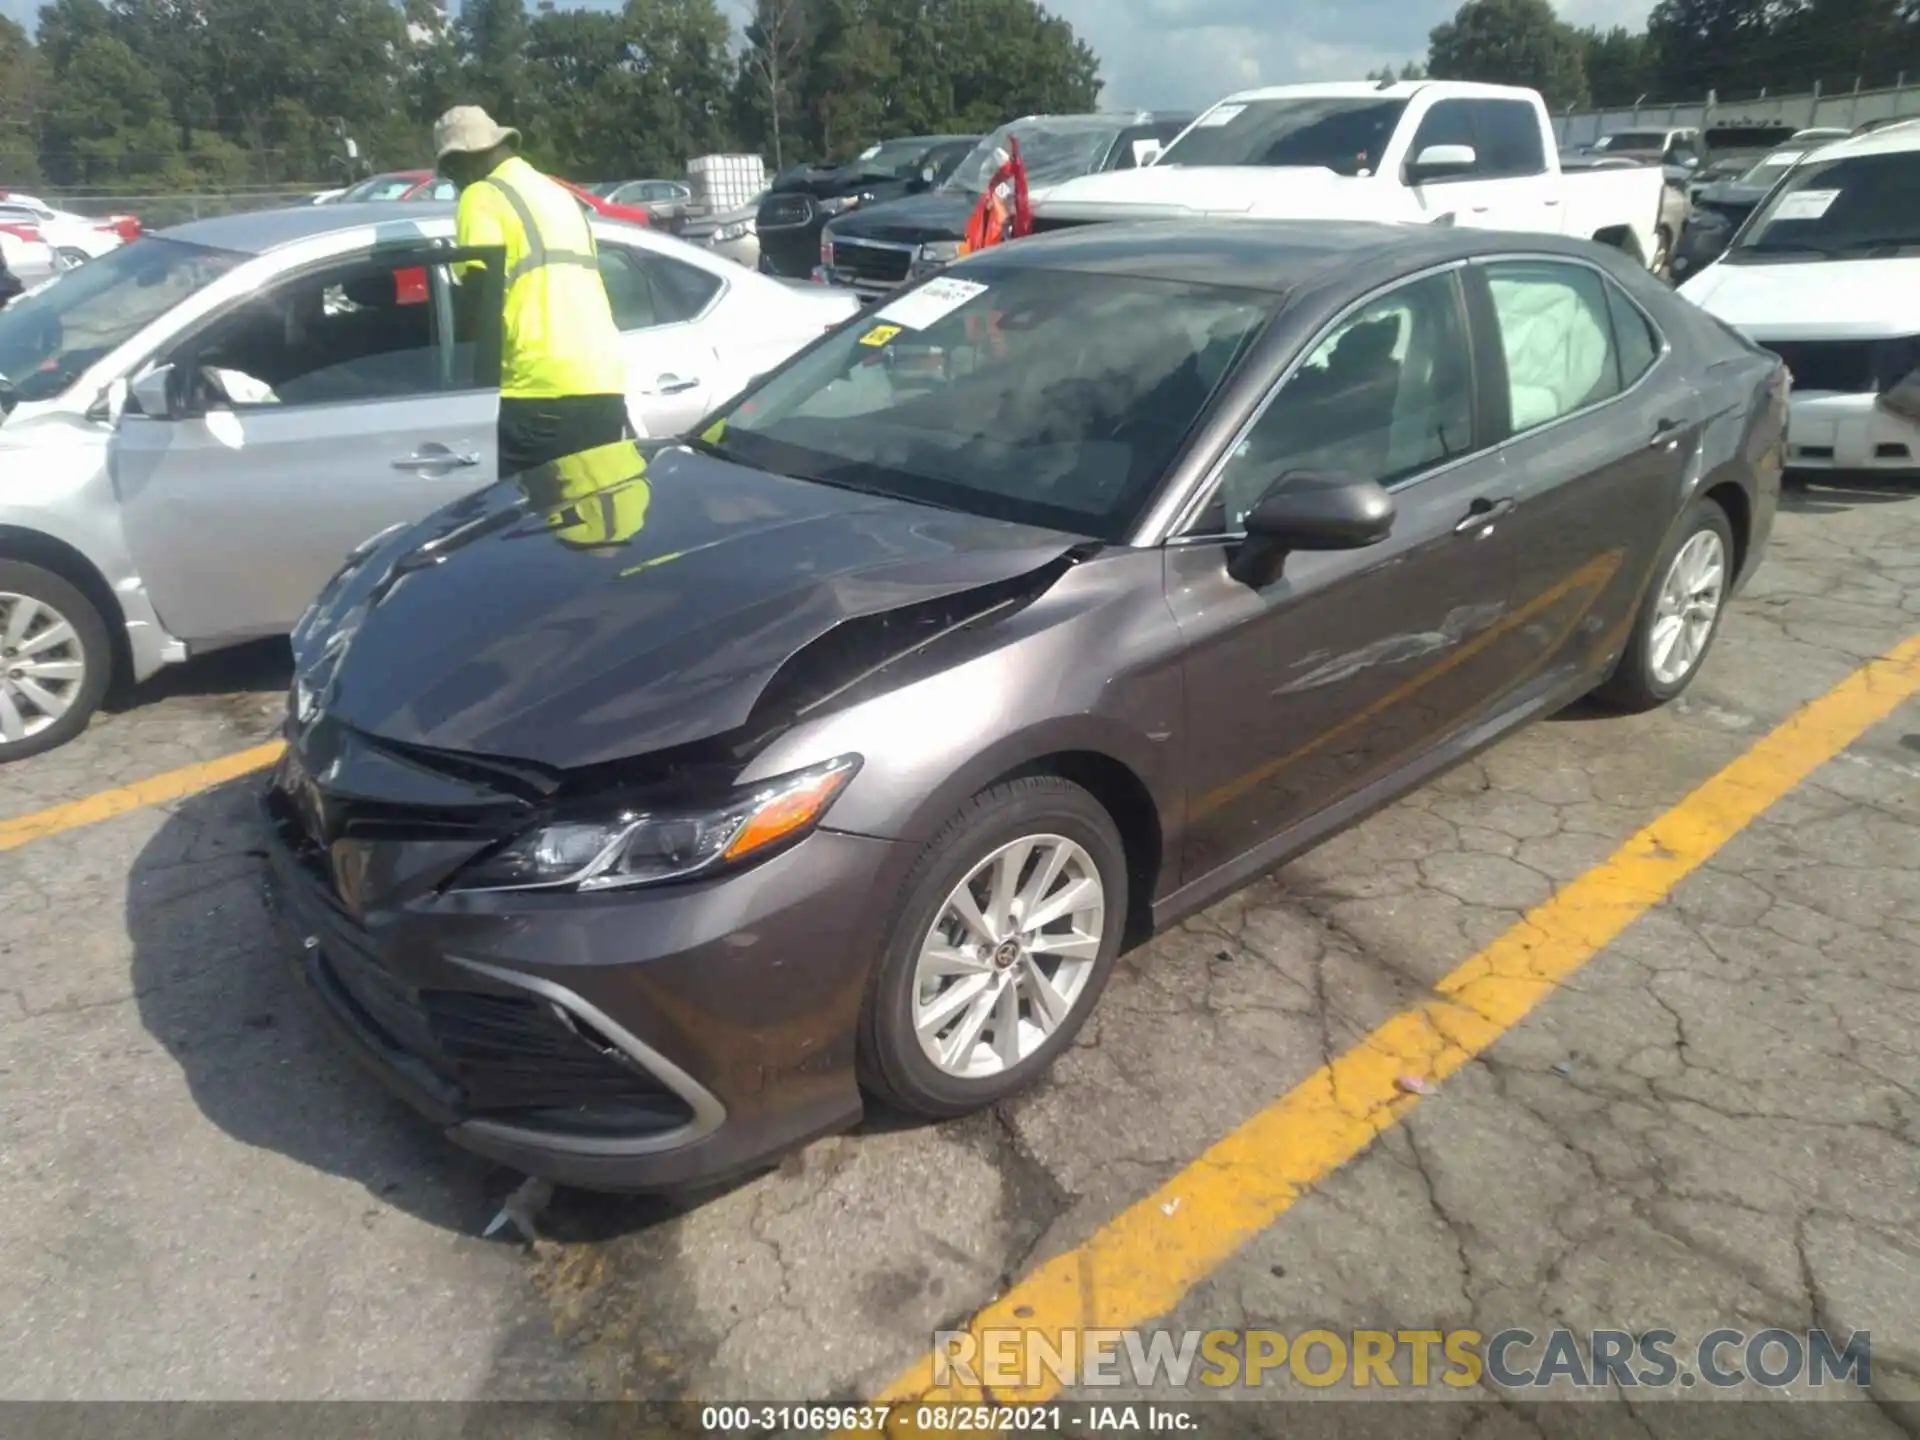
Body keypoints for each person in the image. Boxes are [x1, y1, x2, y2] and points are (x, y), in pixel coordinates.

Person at [432, 105, 632, 476]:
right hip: (603, 380)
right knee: (594, 521)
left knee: (530, 524)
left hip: (537, 388)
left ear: (461, 160)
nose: (454, 183)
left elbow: (477, 300)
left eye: (451, 173)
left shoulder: (481, 195)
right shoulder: (557, 194)